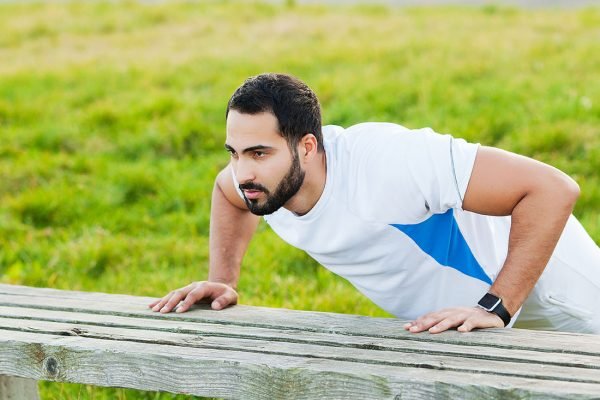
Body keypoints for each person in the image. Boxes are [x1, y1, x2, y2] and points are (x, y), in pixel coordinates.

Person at [149, 73, 600, 334]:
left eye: (259, 153)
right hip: (456, 334)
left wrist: (493, 308)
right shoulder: (258, 183)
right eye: (235, 152)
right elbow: (226, 194)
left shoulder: (388, 162)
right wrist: (222, 280)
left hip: (560, 301)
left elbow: (552, 188)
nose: (243, 171)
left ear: (307, 147)